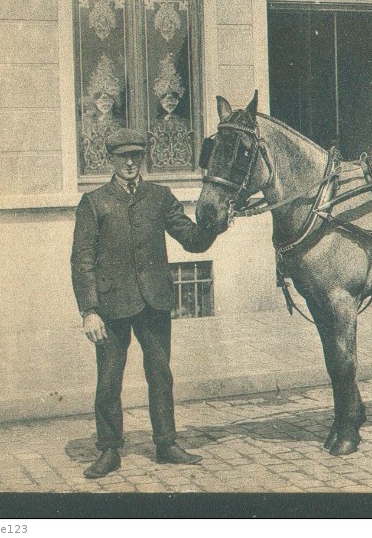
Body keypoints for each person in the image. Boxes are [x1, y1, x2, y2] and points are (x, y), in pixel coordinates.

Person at [71, 128, 219, 479]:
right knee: (108, 380)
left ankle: (166, 443)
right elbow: (82, 260)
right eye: (123, 157)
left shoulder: (160, 197)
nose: (130, 162)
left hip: (154, 301)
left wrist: (214, 223)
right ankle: (109, 449)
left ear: (143, 158)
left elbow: (192, 239)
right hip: (110, 305)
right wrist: (89, 310)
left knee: (160, 374)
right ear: (112, 160)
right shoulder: (94, 202)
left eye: (136, 155)